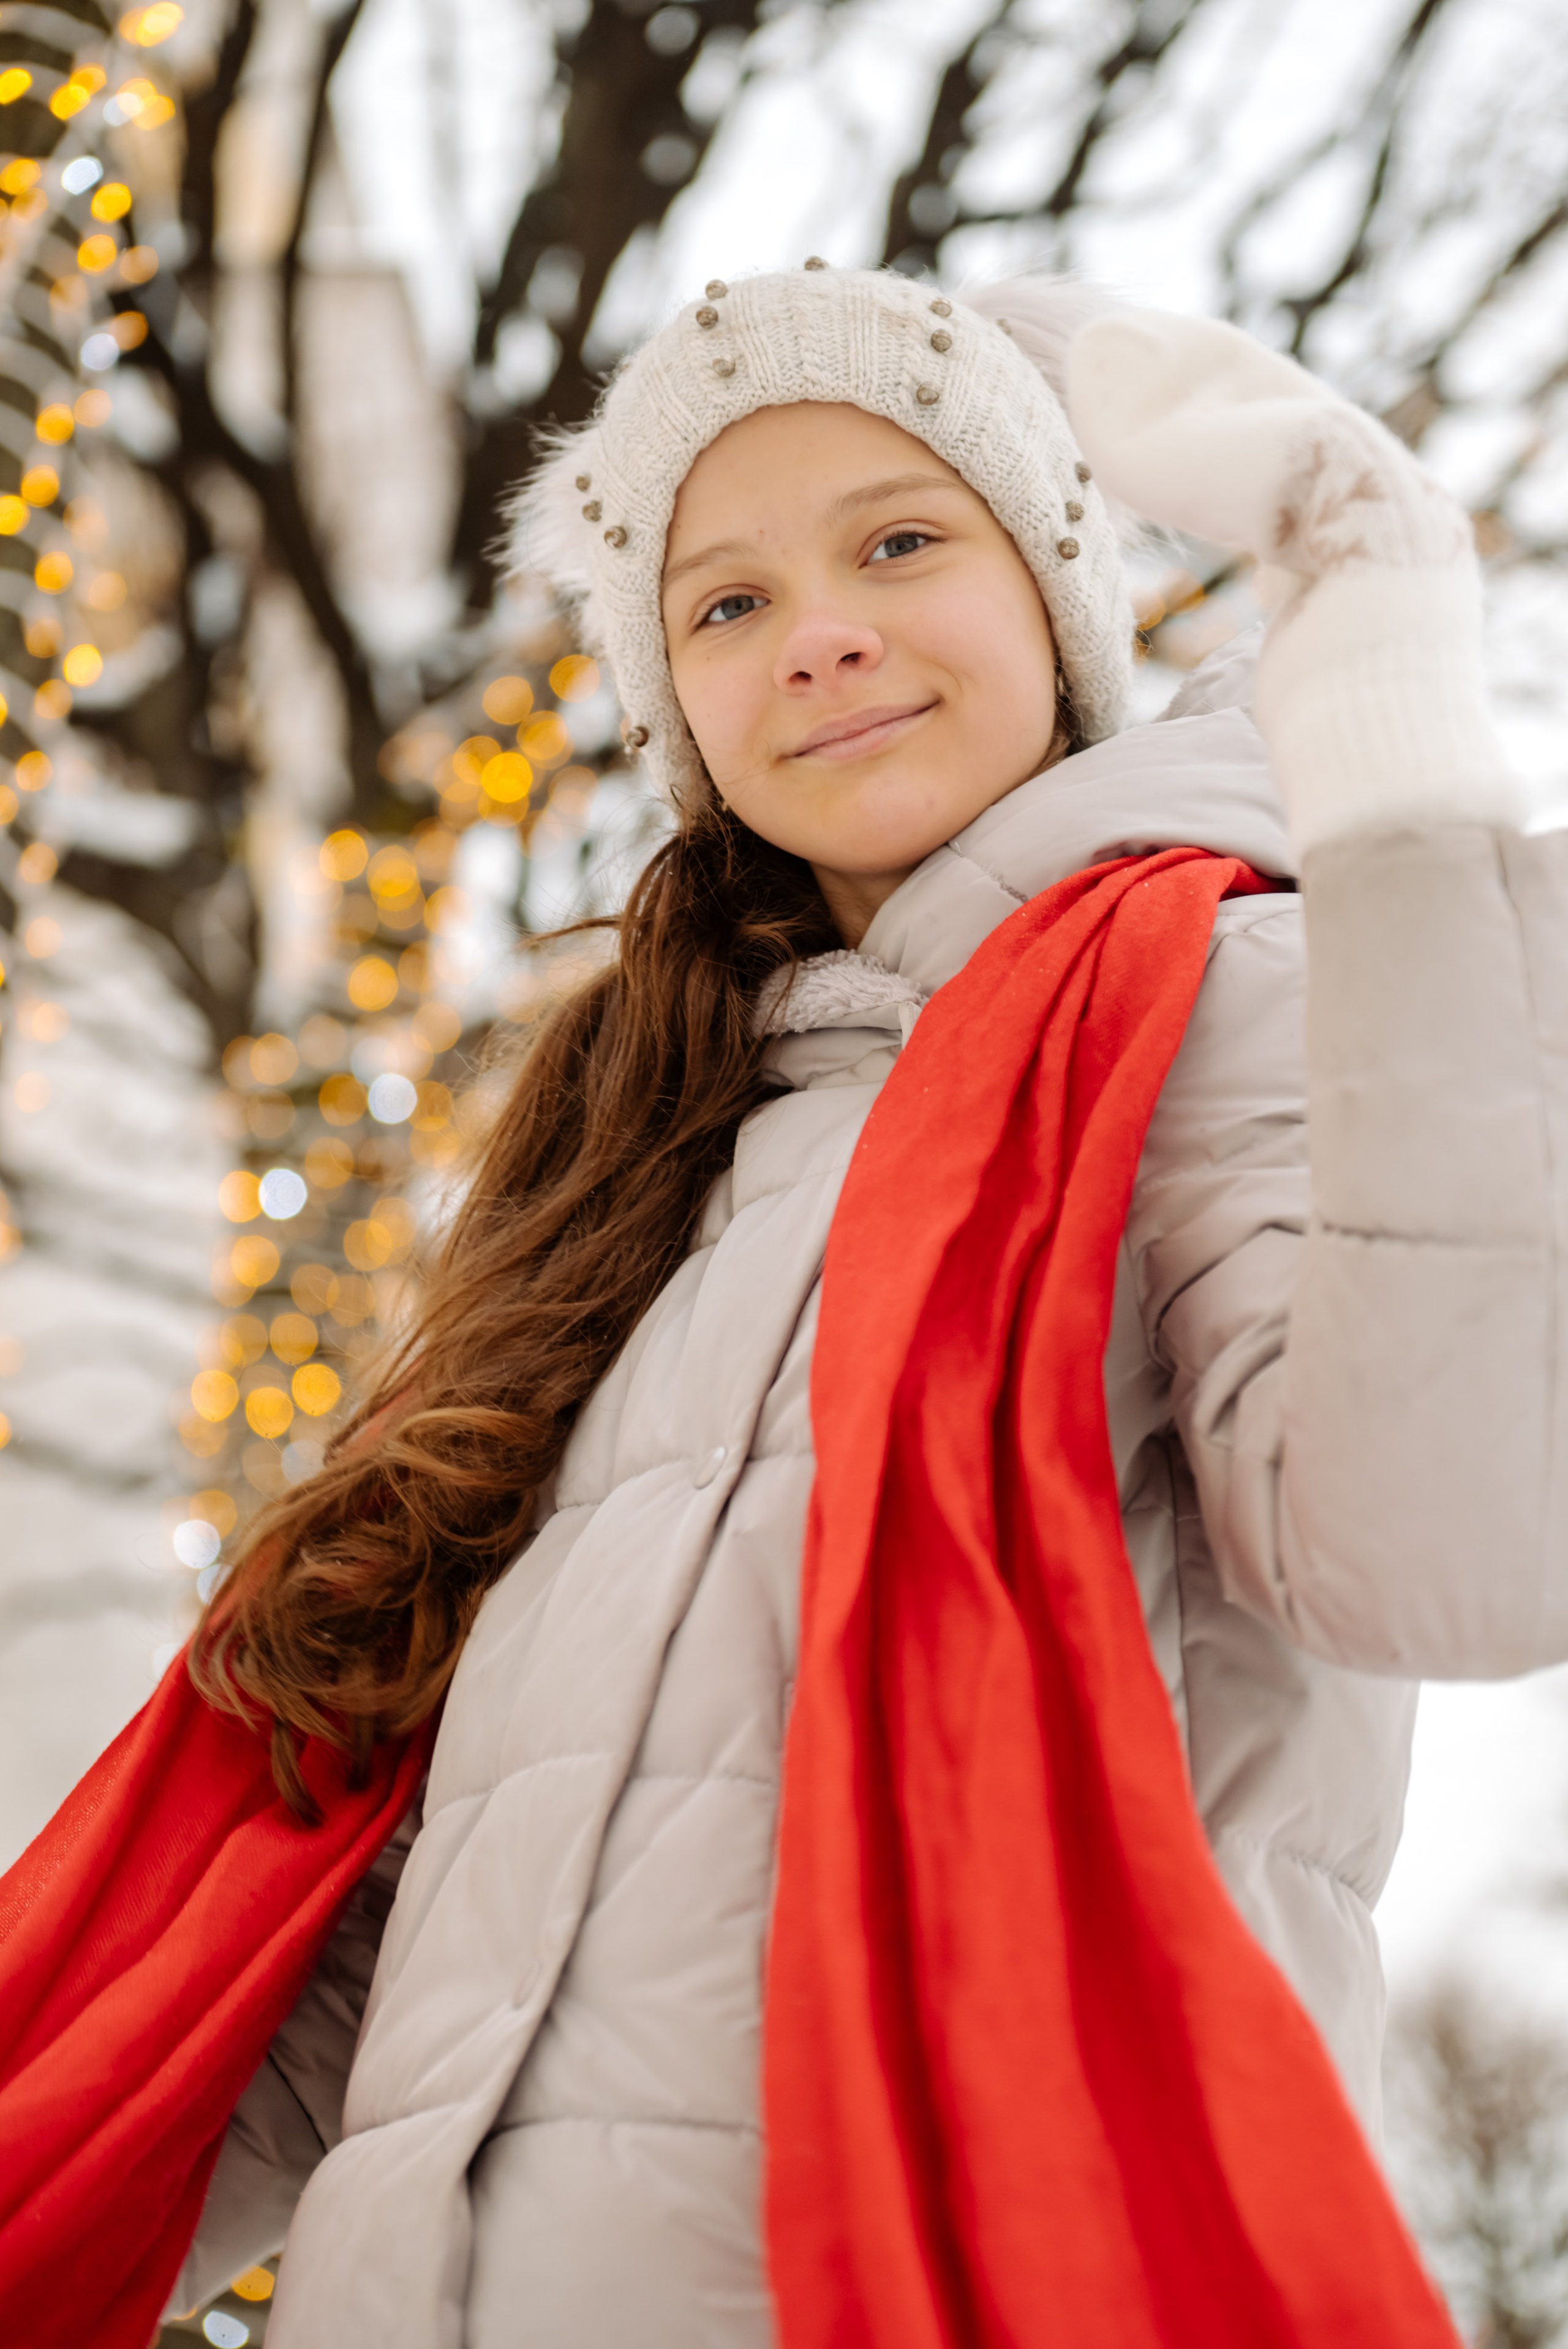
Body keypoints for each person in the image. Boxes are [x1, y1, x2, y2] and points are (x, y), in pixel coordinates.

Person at [15, 264, 1568, 2346]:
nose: (816, 632)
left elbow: (1452, 1550)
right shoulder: (648, 1172)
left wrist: (1385, 708)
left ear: (1054, 599)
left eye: (899, 542)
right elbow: (388, 1944)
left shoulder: (1236, 996)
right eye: (726, 601)